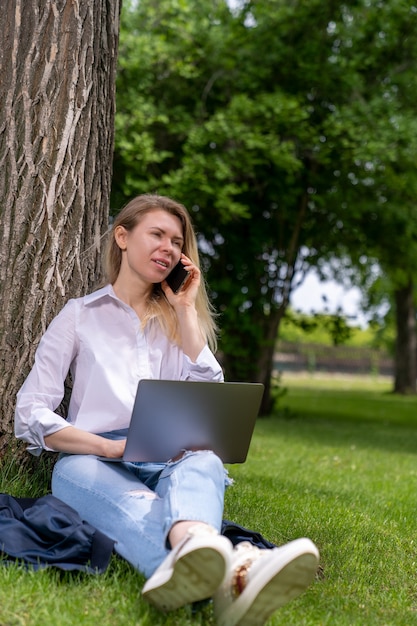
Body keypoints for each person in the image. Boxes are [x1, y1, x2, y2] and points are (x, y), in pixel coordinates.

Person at [14, 193, 320, 625]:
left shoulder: (178, 321)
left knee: (204, 458)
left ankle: (196, 553)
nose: (169, 248)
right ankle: (235, 575)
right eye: (157, 234)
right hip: (90, 459)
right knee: (86, 479)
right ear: (122, 236)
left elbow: (208, 396)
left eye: (177, 242)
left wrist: (185, 310)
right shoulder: (79, 316)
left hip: (168, 454)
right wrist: (105, 447)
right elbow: (28, 412)